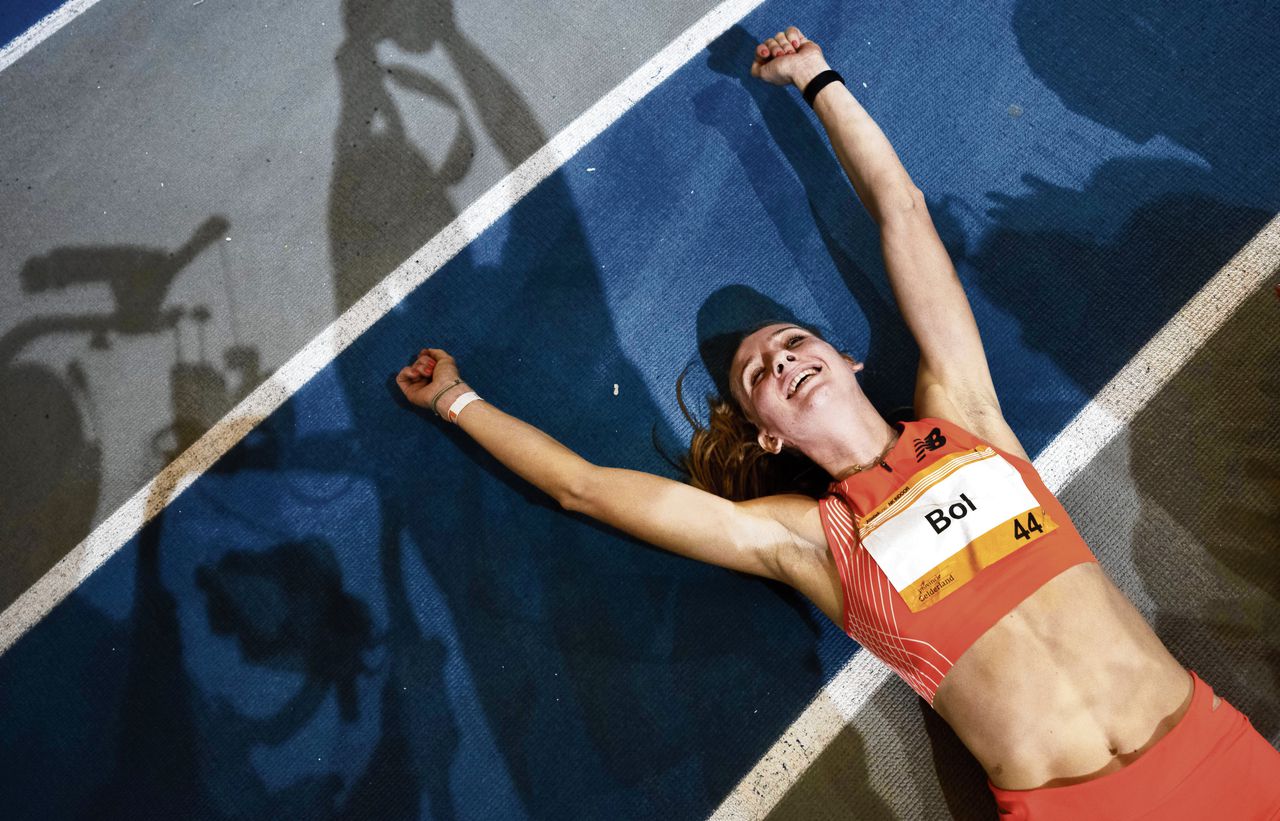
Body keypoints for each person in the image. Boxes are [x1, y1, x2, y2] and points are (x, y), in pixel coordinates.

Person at [396, 25, 1280, 819]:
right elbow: (581, 488)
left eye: (791, 341)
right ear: (766, 432)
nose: (780, 359)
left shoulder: (967, 416)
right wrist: (456, 402)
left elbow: (902, 213)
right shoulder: (810, 540)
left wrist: (819, 82)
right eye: (758, 375)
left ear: (848, 357)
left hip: (1217, 751)